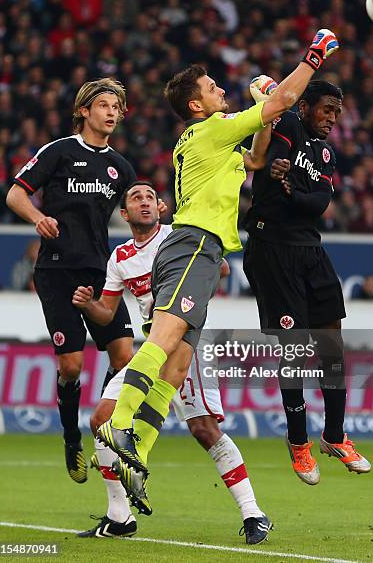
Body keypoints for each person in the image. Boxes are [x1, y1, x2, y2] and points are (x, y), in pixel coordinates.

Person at [97, 29, 339, 533]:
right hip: (193, 245)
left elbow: (254, 158)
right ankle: (122, 426)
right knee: (164, 342)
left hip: (199, 249)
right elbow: (288, 99)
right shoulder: (210, 130)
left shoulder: (209, 139)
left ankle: (135, 453)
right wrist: (311, 59)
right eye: (212, 88)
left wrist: (263, 112)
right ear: (196, 104)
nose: (220, 91)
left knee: (179, 363)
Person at [73, 181, 269, 544]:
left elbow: (221, 269)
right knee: (101, 418)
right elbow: (106, 312)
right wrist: (88, 304)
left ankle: (253, 512)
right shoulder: (120, 258)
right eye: (136, 198)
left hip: (186, 342)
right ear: (125, 214)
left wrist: (189, 304)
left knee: (204, 429)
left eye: (150, 197)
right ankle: (119, 517)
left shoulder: (176, 238)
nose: (144, 202)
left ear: (162, 208)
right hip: (151, 348)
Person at [6, 78, 137, 484]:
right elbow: (15, 194)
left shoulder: (121, 167)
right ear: (84, 110)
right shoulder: (59, 152)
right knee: (72, 365)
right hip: (57, 271)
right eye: (103, 105)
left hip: (101, 271)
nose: (111, 112)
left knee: (124, 357)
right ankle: (70, 437)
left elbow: (137, 210)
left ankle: (103, 424)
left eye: (116, 107)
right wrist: (38, 218)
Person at [243, 79, 371, 486]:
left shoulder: (326, 152)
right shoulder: (288, 126)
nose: (332, 118)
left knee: (332, 344)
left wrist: (291, 187)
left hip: (310, 251)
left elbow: (318, 204)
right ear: (304, 107)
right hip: (272, 249)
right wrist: (283, 179)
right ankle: (298, 443)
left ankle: (334, 435)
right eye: (327, 109)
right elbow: (271, 157)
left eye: (337, 111)